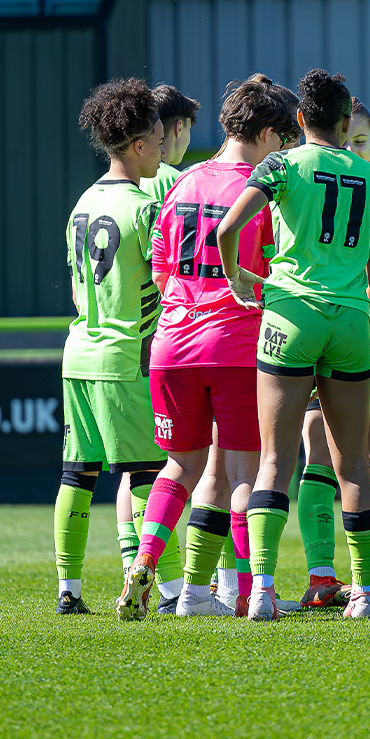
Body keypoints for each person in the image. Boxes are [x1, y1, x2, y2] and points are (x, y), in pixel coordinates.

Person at [114, 76, 299, 619]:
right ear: (268, 135)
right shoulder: (265, 190)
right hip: (235, 344)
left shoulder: (183, 181)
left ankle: (144, 562)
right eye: (285, 140)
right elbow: (276, 271)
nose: (287, 151)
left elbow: (161, 270)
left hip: (172, 344)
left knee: (179, 466)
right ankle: (246, 592)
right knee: (245, 474)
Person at [216, 68, 370, 620]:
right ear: (345, 120)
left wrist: (238, 277)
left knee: (275, 460)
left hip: (289, 317)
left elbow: (226, 231)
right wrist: (367, 329)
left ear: (299, 118)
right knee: (354, 465)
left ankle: (262, 591)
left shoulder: (281, 165)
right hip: (350, 321)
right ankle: (363, 593)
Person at [53, 78, 165, 615]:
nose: (163, 151)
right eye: (159, 142)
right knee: (146, 472)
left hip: (78, 351)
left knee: (77, 474)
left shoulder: (83, 201)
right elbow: (166, 284)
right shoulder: (144, 208)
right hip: (126, 356)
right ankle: (159, 588)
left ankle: (68, 590)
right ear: (138, 145)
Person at [294, 100, 370, 608]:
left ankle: (367, 580)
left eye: (362, 142)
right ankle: (321, 575)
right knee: (318, 459)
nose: (352, 150)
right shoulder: (311, 183)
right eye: (347, 140)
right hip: (330, 336)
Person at [103, 85, 200, 608]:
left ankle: (132, 567)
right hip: (174, 337)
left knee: (135, 468)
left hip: (112, 343)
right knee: (198, 463)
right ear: (175, 129)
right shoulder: (173, 182)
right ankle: (195, 585)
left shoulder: (114, 187)